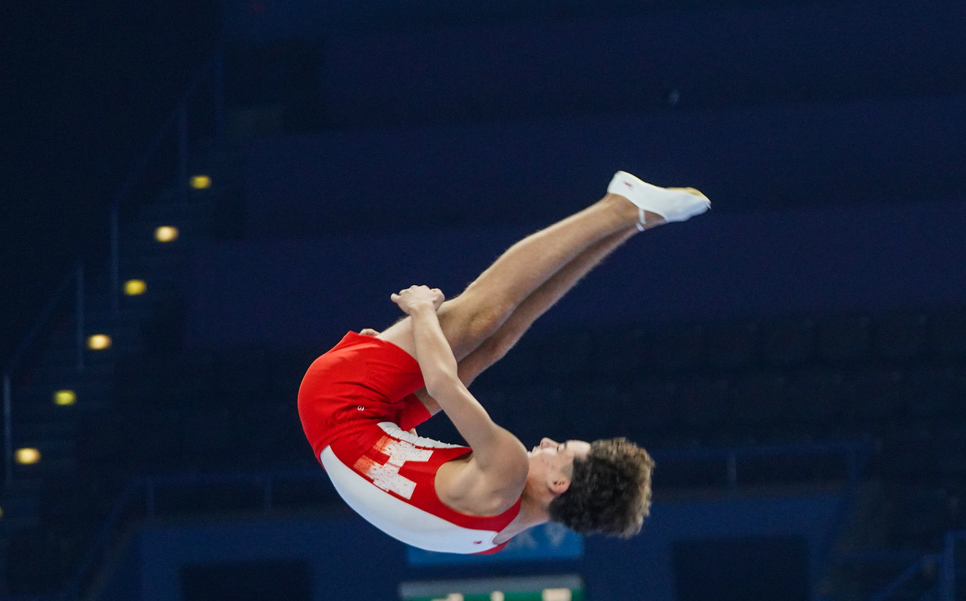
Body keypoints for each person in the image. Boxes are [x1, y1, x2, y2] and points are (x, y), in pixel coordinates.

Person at [296, 172, 708, 555]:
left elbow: (443, 384)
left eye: (560, 449)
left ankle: (618, 207)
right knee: (496, 343)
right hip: (371, 429)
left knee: (480, 318)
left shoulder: (508, 468)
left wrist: (421, 312)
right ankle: (631, 221)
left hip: (339, 402)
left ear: (558, 483)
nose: (548, 442)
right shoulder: (493, 540)